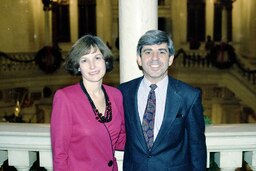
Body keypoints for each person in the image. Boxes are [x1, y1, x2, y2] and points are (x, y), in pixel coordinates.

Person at [118, 30, 207, 171]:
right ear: (139, 59)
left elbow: (197, 147)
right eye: (148, 52)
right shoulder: (123, 92)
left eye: (161, 52)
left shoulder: (189, 96)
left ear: (170, 58)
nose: (155, 58)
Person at [50, 35, 126, 171]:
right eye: (84, 60)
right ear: (78, 66)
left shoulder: (116, 95)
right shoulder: (65, 98)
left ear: (105, 61)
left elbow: (120, 140)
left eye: (97, 58)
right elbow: (60, 155)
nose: (92, 66)